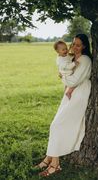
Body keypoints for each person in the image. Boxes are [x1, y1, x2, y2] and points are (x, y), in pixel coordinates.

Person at [35, 34, 92, 177]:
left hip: (79, 95)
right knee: (55, 124)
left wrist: (63, 75)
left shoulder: (85, 60)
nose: (74, 47)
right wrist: (64, 75)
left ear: (84, 46)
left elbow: (72, 81)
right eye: (73, 44)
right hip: (69, 94)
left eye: (78, 45)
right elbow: (67, 75)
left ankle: (55, 164)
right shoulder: (72, 59)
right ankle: (50, 158)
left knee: (57, 125)